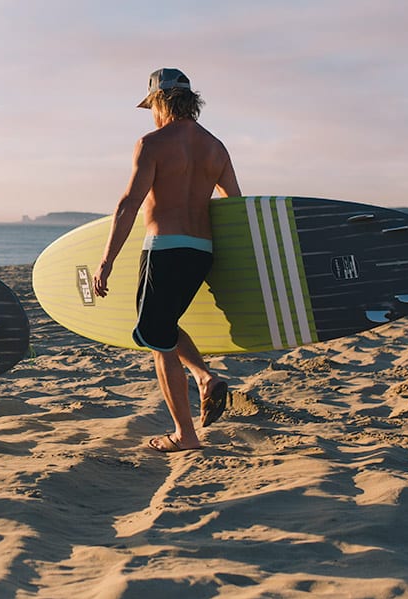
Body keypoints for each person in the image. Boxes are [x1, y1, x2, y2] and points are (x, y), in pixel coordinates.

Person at [92, 68, 241, 453]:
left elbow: (129, 204)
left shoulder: (152, 143)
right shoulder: (216, 147)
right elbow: (235, 208)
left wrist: (106, 260)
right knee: (163, 325)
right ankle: (205, 377)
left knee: (157, 339)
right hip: (201, 253)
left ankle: (184, 434)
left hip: (164, 247)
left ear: (160, 102)